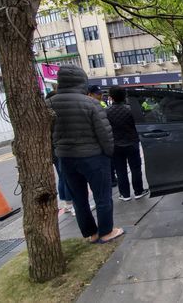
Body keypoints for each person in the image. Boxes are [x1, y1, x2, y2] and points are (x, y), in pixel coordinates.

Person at [47, 65, 124, 243]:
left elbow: (47, 136)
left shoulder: (49, 104)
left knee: (78, 199)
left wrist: (55, 156)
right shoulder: (90, 103)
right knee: (102, 196)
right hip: (93, 157)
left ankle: (91, 234)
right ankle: (106, 232)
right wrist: (108, 153)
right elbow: (104, 133)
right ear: (82, 81)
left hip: (65, 158)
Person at [106, 86, 148, 201]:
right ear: (125, 96)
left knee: (120, 170)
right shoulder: (131, 110)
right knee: (135, 168)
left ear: (111, 97)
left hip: (115, 145)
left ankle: (125, 194)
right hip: (132, 143)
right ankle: (139, 191)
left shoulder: (106, 111)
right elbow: (140, 124)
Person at [46, 91, 74, 215]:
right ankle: (71, 204)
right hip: (60, 150)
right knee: (66, 177)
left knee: (62, 177)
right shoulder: (54, 116)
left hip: (53, 151)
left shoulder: (44, 115)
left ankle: (67, 203)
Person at [88, 85, 118, 187]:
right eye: (98, 94)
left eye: (101, 93)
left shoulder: (102, 104)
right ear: (90, 94)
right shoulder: (91, 106)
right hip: (99, 140)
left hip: (106, 137)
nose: (100, 96)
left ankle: (112, 179)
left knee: (110, 163)